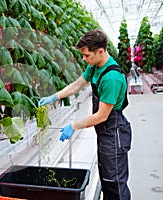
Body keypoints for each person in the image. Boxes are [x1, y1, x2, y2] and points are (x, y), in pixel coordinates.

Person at [38, 29, 132, 200]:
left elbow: (102, 116)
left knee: (115, 183)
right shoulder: (94, 66)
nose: (84, 59)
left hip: (114, 131)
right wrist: (54, 96)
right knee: (106, 178)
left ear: (101, 51)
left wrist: (74, 126)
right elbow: (76, 85)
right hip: (104, 133)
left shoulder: (112, 78)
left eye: (87, 55)